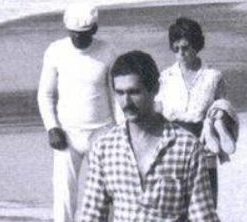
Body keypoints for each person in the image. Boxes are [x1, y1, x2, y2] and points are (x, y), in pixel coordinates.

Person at [78, 51, 218, 222]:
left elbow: (203, 216)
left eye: (134, 92)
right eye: (120, 93)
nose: (126, 102)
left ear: (155, 89)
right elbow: (91, 215)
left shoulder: (187, 147)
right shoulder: (104, 148)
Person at [38, 4, 118, 222]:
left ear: (94, 29)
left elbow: (116, 95)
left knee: (108, 193)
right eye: (73, 33)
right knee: (64, 195)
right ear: (67, 30)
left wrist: (121, 131)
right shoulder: (56, 51)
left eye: (83, 34)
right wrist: (52, 127)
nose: (78, 39)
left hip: (103, 133)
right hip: (67, 134)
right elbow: (45, 95)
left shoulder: (108, 51)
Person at [157, 18, 227, 201]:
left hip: (204, 150)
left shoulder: (213, 77)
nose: (180, 53)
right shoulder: (165, 77)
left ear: (196, 45)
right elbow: (158, 114)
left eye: (185, 47)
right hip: (173, 152)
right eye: (176, 48)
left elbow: (222, 112)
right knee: (174, 207)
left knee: (206, 206)